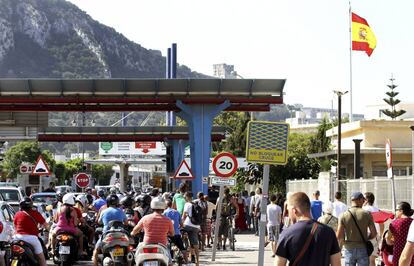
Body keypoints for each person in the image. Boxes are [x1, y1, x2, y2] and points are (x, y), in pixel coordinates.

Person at [275, 192, 341, 266]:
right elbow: (337, 263)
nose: (288, 213)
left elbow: (279, 264)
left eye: (288, 210)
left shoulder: (287, 233)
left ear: (294, 211)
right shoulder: (329, 232)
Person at [337, 192, 377, 266]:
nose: (363, 202)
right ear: (360, 200)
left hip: (349, 249)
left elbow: (340, 237)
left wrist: (339, 249)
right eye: (363, 200)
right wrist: (366, 238)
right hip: (362, 248)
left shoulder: (343, 215)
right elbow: (374, 233)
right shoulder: (367, 214)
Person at [132, 198, 174, 265]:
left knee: (136, 259)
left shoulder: (145, 218)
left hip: (146, 244)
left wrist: (132, 234)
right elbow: (172, 233)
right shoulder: (168, 220)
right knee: (169, 263)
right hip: (162, 246)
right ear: (163, 207)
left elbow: (135, 230)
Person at [14, 197, 50, 266]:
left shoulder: (17, 214)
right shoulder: (35, 213)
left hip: (17, 238)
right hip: (32, 239)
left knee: (12, 256)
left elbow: (15, 226)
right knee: (41, 258)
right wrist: (48, 230)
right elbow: (46, 225)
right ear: (31, 205)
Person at [92, 194, 127, 266]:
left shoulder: (104, 211)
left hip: (107, 235)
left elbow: (99, 222)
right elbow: (126, 222)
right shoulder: (121, 211)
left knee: (96, 250)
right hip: (121, 235)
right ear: (117, 202)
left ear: (108, 202)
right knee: (129, 249)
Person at [386, 201, 414, 266]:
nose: (395, 212)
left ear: (401, 211)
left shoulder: (394, 223)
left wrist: (393, 242)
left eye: (396, 210)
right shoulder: (412, 222)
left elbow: (388, 240)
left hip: (398, 253)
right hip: (411, 253)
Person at [363, 192, 384, 266]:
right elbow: (382, 224)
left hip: (365, 235)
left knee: (363, 258)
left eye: (363, 198)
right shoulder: (377, 210)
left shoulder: (363, 209)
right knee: (372, 259)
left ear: (366, 200)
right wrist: (381, 236)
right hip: (376, 235)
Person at [182, 192, 201, 265]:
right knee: (195, 243)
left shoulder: (187, 204)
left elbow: (183, 216)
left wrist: (181, 224)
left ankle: (182, 254)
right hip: (196, 226)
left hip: (188, 224)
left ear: (187, 197)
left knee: (181, 237)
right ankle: (197, 261)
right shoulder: (196, 204)